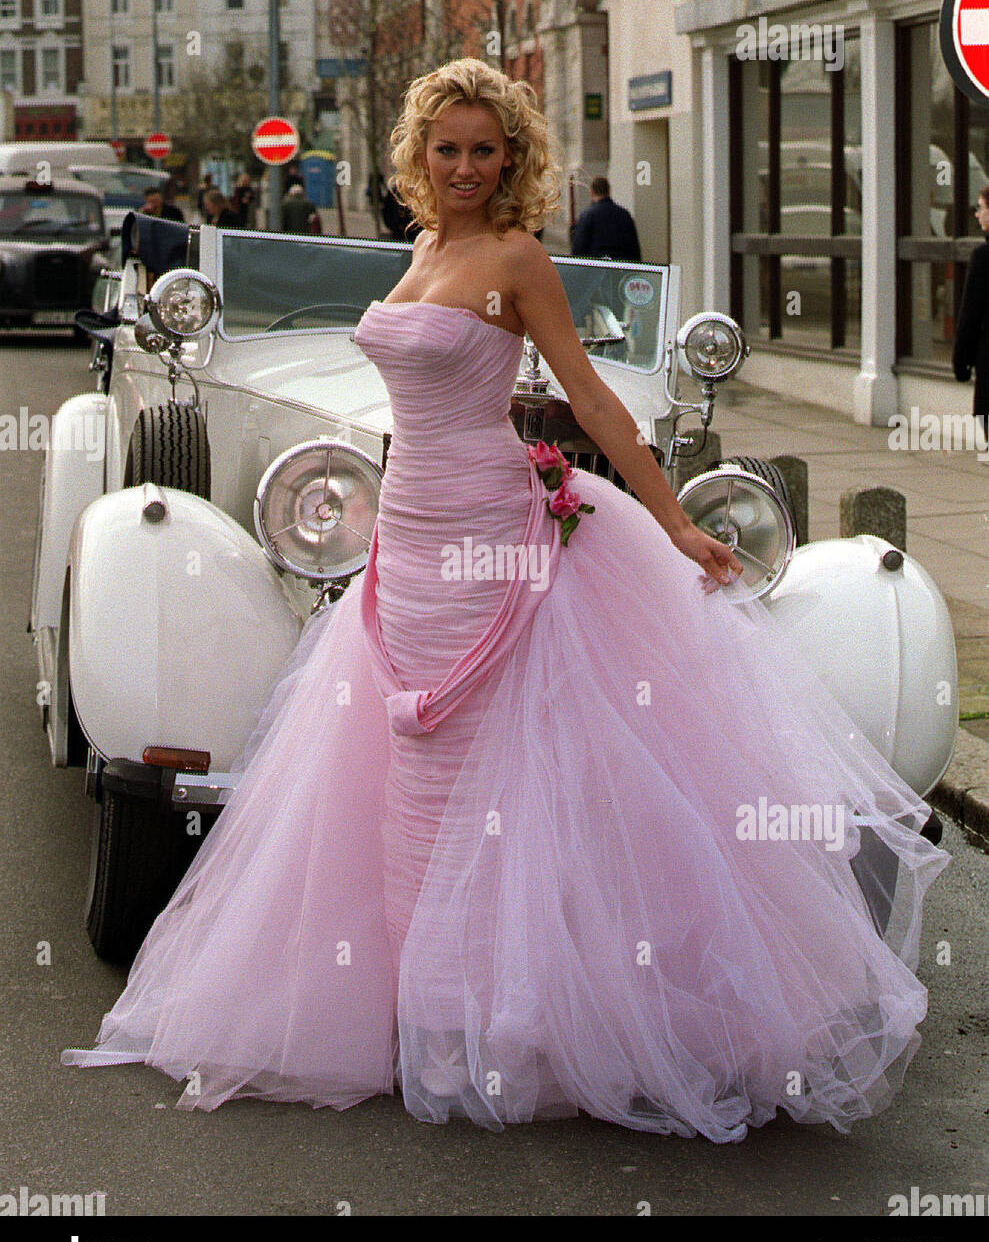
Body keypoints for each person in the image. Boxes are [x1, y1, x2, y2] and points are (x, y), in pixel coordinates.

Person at [62, 57, 949, 1142]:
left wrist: (674, 523)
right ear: (419, 157)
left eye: (487, 150)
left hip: (494, 531)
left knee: (516, 767)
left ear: (513, 158)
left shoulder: (516, 257)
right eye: (448, 148)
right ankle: (422, 1009)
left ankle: (509, 1015)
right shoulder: (425, 248)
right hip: (411, 537)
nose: (467, 166)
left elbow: (585, 396)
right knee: (410, 774)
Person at [953, 184, 989, 442]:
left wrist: (960, 361)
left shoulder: (983, 257)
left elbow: (971, 315)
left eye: (981, 207)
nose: (977, 214)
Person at [571, 175, 641, 261]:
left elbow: (578, 249)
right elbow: (634, 249)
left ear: (592, 192)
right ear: (608, 191)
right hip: (620, 267)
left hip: (596, 267)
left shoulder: (587, 216)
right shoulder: (624, 215)